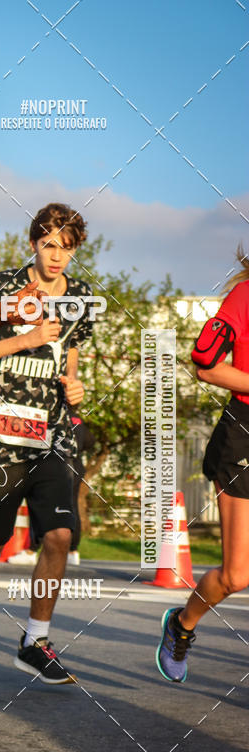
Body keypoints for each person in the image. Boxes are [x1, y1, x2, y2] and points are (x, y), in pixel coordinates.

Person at [0, 203, 94, 685]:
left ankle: (35, 640)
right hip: (1, 438)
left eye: (67, 247)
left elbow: (71, 364)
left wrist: (75, 387)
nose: (57, 256)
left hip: (54, 436)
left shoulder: (80, 296)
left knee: (59, 536)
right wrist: (25, 338)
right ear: (34, 242)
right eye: (50, 244)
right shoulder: (1, 287)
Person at [157, 250, 249, 682]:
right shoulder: (244, 297)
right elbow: (204, 362)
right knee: (235, 575)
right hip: (242, 438)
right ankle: (182, 624)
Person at [67, 410, 94, 566]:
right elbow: (91, 441)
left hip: (62, 464)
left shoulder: (57, 414)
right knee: (73, 506)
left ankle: (32, 549)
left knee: (46, 503)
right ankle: (73, 550)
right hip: (77, 466)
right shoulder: (79, 420)